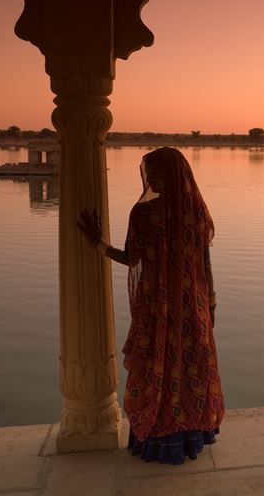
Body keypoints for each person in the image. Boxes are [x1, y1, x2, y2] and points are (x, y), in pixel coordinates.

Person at [78, 147, 225, 465]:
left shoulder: (144, 213)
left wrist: (98, 243)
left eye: (151, 172)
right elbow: (205, 263)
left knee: (157, 365)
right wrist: (211, 306)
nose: (149, 178)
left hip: (156, 309)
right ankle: (190, 438)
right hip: (193, 307)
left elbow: (132, 258)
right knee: (189, 367)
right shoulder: (195, 212)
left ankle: (158, 439)